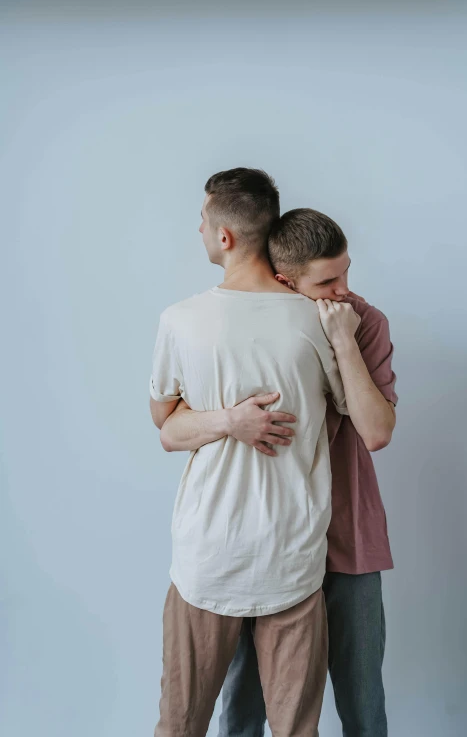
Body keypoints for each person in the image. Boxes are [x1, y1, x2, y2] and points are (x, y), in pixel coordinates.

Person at [161, 207, 398, 737]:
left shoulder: (363, 321)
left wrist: (341, 339)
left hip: (348, 538)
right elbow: (171, 424)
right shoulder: (244, 323)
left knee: (363, 706)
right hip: (267, 541)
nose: (345, 290)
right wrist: (229, 420)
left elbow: (377, 430)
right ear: (287, 281)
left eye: (346, 272)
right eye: (328, 281)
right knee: (243, 709)